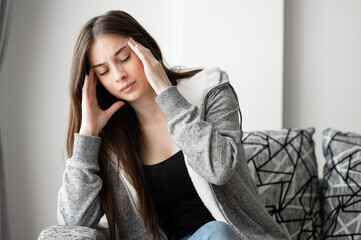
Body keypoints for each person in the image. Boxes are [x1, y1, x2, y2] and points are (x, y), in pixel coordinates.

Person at [57, 10, 289, 240]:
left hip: (231, 237)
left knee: (217, 233)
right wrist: (88, 136)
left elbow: (220, 169)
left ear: (144, 47)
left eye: (124, 58)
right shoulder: (108, 139)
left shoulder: (210, 90)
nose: (119, 75)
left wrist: (167, 95)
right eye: (104, 71)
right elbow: (72, 222)